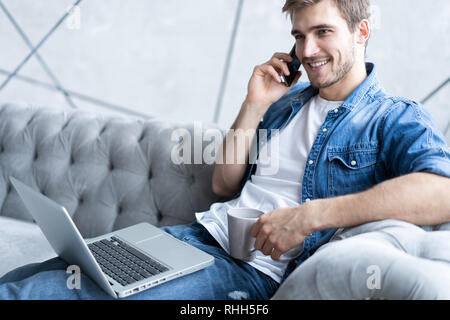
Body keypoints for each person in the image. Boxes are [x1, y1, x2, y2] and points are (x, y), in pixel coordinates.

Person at [1, 0, 449, 300]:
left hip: (249, 274)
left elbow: (441, 192)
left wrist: (311, 216)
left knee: (39, 295)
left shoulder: (393, 117)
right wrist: (254, 102)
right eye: (298, 35)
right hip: (194, 238)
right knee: (29, 276)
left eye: (322, 32)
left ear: (361, 31)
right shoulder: (287, 104)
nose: (307, 50)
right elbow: (224, 183)